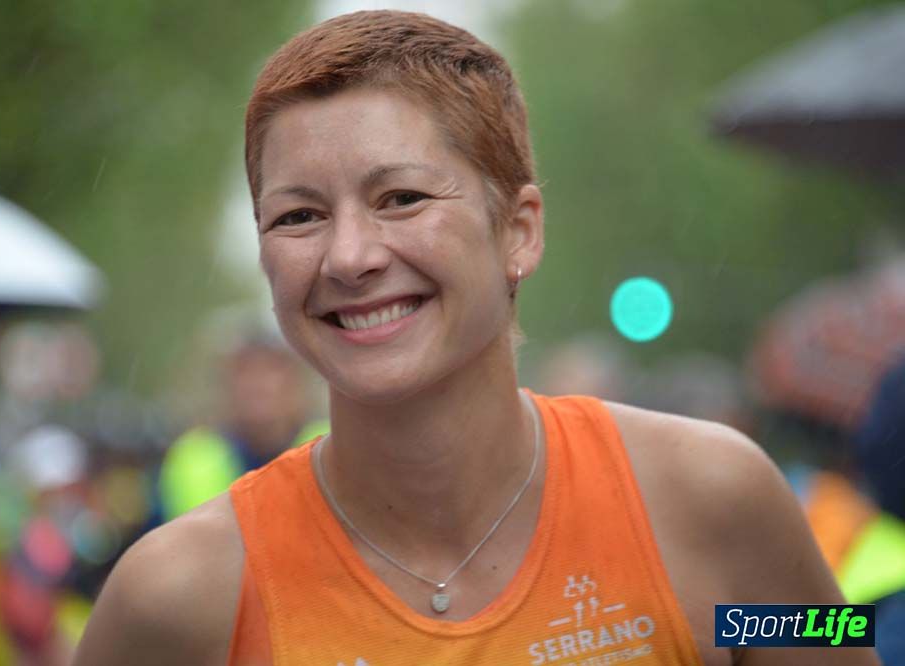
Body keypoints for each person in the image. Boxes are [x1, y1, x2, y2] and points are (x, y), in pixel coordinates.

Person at [74, 11, 878, 665]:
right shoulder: (181, 599)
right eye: (299, 216)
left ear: (519, 232)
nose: (350, 256)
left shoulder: (710, 500)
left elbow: (829, 635)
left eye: (401, 197)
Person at [158, 338, 314, 521]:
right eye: (244, 370)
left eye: (272, 369)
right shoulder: (195, 456)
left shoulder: (330, 443)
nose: (258, 384)